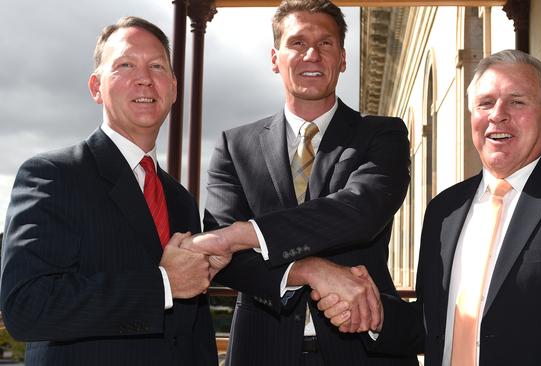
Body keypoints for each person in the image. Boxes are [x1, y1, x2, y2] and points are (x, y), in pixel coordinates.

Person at [319, 49, 541, 365]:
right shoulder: (443, 211)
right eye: (485, 103)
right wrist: (370, 313)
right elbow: (433, 327)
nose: (497, 115)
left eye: (517, 102)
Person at [180, 1, 418, 365]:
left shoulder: (383, 134)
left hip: (364, 349)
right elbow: (228, 260)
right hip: (261, 350)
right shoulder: (234, 145)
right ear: (275, 58)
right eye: (297, 43)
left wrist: (243, 234)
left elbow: (359, 211)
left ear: (342, 59)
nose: (312, 54)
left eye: (326, 44)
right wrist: (308, 270)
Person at [0, 16, 219, 366]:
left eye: (157, 66)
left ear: (174, 88)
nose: (144, 78)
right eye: (125, 65)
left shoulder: (181, 199)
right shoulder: (52, 176)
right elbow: (27, 307)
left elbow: (193, 331)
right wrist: (162, 284)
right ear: (96, 87)